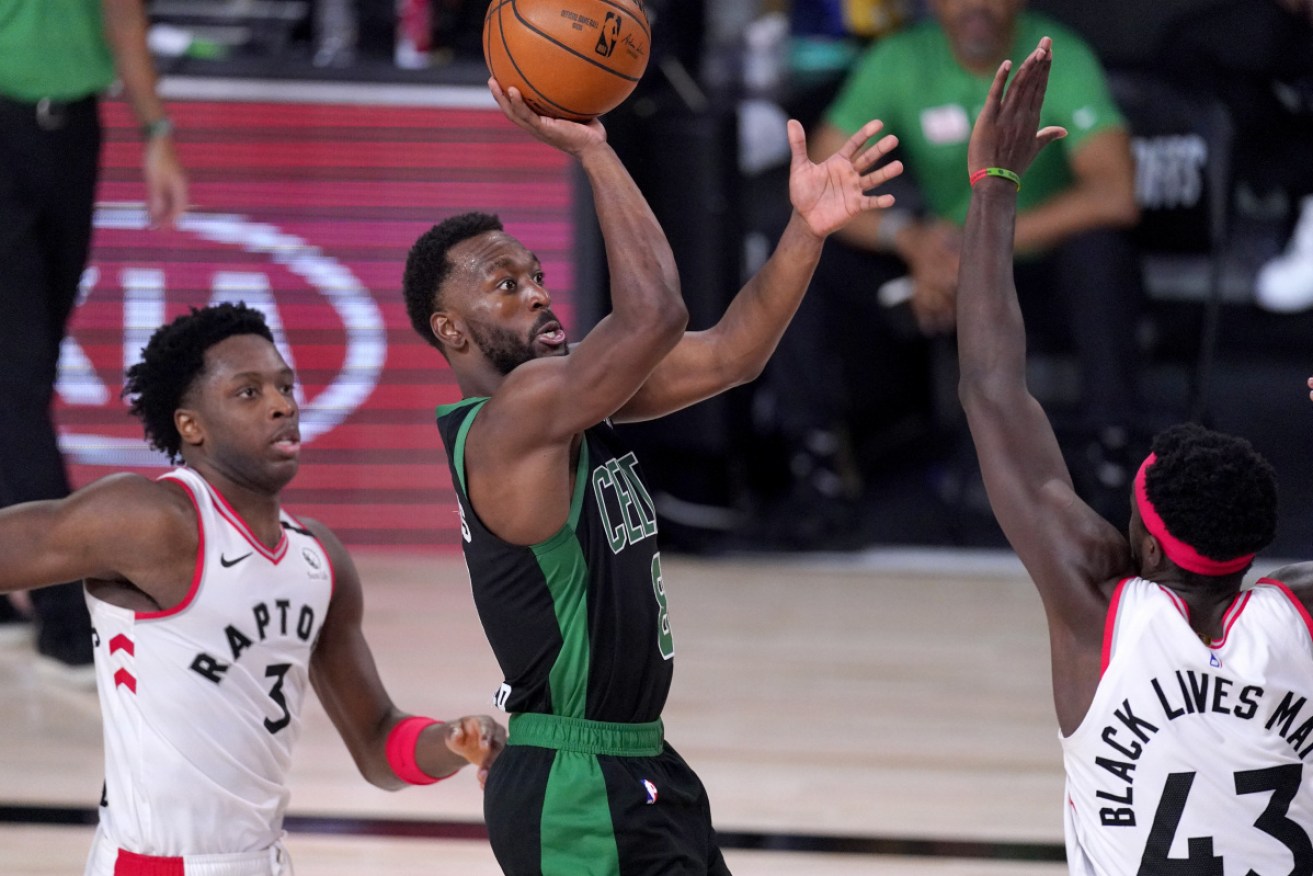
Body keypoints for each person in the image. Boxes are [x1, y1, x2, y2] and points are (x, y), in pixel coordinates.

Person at [401, 76, 902, 874]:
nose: (536, 293)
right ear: (450, 330)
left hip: (637, 760)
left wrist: (806, 230)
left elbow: (733, 352)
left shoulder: (566, 402)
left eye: (534, 273)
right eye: (506, 286)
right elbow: (655, 314)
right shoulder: (514, 417)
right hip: (574, 785)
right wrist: (595, 151)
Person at [957, 37, 1313, 872]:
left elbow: (990, 388)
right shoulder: (1298, 614)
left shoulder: (1097, 608)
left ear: (1146, 545)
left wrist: (994, 190)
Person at [0, 302, 505, 875]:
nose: (282, 405)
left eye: (285, 386)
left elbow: (377, 743)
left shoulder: (318, 559)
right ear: (191, 425)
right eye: (248, 392)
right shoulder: (151, 520)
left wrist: (454, 743)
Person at [764, 0, 1144, 541]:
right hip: (940, 269)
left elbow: (1116, 194)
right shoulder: (900, 59)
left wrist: (978, 248)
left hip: (1035, 273)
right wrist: (911, 240)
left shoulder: (1056, 55)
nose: (976, 7)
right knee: (807, 249)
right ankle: (819, 470)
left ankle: (1113, 461)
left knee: (1100, 253)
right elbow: (821, 183)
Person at [0, 0, 189, 676]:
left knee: (30, 368)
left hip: (70, 130)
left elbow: (122, 14)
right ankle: (63, 614)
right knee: (13, 383)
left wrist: (156, 130)